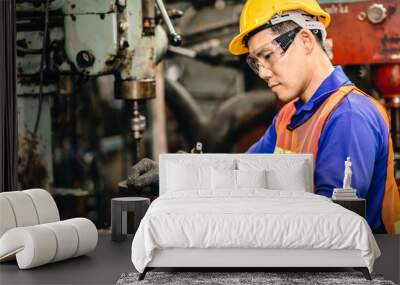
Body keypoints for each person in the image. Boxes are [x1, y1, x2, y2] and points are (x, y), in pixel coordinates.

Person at [127, 0, 400, 234]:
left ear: (305, 40)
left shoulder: (348, 116)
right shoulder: (289, 117)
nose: (264, 73)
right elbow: (241, 171)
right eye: (256, 62)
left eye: (268, 56)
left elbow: (330, 224)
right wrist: (176, 172)